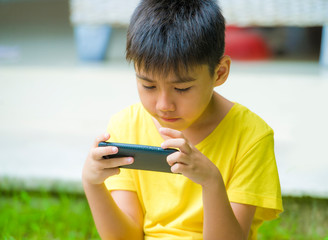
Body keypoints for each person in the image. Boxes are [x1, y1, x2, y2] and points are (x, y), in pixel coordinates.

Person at [82, 0, 283, 239]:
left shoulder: (251, 136)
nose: (163, 105)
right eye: (148, 85)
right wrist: (92, 184)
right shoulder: (126, 127)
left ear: (219, 73)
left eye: (182, 88)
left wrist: (211, 182)